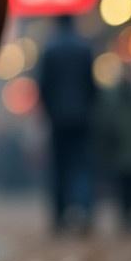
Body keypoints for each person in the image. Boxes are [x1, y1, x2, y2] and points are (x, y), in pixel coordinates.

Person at [37, 14, 97, 233]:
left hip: (58, 118)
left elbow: (43, 86)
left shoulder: (50, 50)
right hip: (81, 118)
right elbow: (92, 86)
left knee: (59, 168)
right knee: (81, 166)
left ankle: (59, 217)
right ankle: (83, 210)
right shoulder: (84, 48)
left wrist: (49, 111)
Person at [95, 63, 131, 232]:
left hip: (123, 148)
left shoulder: (113, 96)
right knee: (126, 185)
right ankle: (126, 217)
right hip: (123, 148)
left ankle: (126, 217)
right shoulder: (114, 97)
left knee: (126, 185)